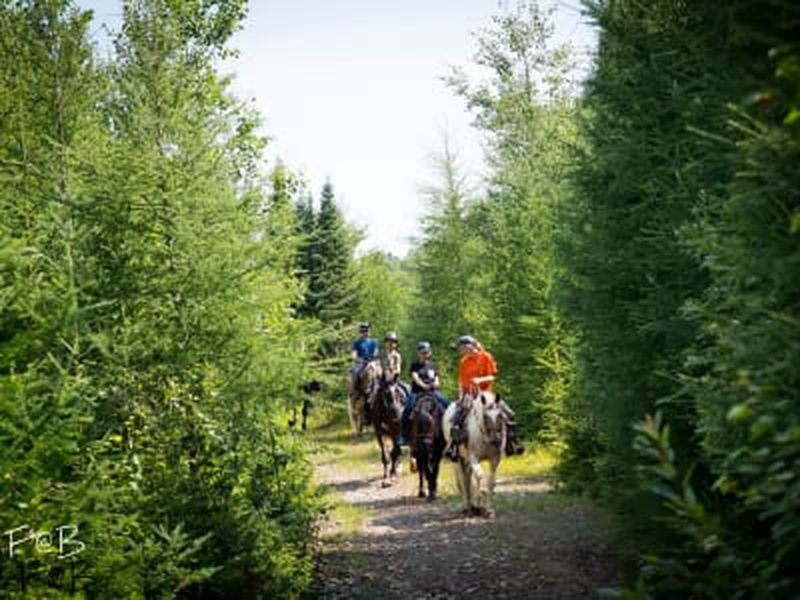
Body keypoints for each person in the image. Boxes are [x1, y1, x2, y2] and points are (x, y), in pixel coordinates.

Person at [446, 335, 520, 459]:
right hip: (470, 394)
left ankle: (512, 444)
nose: (460, 351)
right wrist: (461, 396)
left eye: (461, 348)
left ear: (469, 346)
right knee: (456, 418)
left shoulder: (486, 357)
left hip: (486, 393)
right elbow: (461, 381)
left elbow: (492, 377)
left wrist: (480, 380)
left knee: (508, 413)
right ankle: (454, 447)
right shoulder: (464, 361)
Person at [401, 341, 449, 444]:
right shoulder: (415, 365)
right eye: (422, 352)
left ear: (430, 353)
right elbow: (415, 378)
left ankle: (447, 435)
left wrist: (436, 384)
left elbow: (436, 378)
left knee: (447, 404)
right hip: (417, 392)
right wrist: (424, 386)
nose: (424, 355)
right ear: (418, 353)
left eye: (426, 352)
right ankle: (403, 435)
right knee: (407, 408)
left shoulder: (433, 365)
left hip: (432, 392)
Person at [350, 322, 378, 395]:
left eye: (367, 330)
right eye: (364, 331)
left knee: (376, 370)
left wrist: (373, 358)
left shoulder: (374, 342)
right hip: (361, 362)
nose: (366, 332)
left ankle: (377, 387)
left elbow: (376, 352)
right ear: (361, 332)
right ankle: (354, 390)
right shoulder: (357, 343)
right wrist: (357, 359)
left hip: (371, 361)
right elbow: (354, 354)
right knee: (355, 371)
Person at [381, 331, 410, 398]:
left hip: (394, 379)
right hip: (382, 379)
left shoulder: (397, 355)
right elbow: (381, 366)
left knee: (407, 388)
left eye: (393, 342)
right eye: (389, 341)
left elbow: (398, 368)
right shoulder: (381, 354)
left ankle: (408, 407)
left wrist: (394, 373)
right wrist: (385, 372)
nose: (391, 343)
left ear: (395, 344)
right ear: (385, 343)